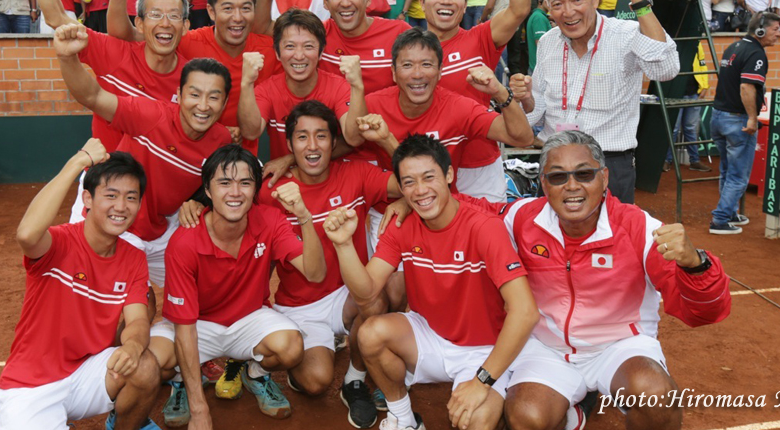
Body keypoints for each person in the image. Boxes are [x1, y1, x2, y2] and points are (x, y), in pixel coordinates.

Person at [496, 130, 732, 430]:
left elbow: (704, 313)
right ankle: (573, 413)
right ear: (542, 183)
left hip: (618, 346)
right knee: (526, 418)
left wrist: (697, 265)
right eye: (557, 177)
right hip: (546, 348)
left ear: (604, 178)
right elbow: (469, 215)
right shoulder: (520, 218)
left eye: (584, 174)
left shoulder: (640, 228)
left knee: (656, 399)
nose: (571, 186)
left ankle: (579, 400)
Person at [322, 133, 539, 430]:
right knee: (371, 333)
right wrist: (344, 245)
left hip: (483, 350)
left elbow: (525, 312)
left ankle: (492, 394)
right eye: (409, 182)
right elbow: (367, 292)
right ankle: (405, 419)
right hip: (431, 337)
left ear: (449, 175)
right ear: (400, 187)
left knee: (474, 421)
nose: (420, 190)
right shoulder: (401, 226)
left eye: (429, 177)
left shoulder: (484, 227)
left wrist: (481, 380)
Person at [151, 144, 327, 423]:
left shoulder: (271, 220)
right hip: (198, 323)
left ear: (255, 189)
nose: (235, 192)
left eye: (245, 183)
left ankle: (254, 373)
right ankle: (182, 382)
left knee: (290, 348)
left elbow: (315, 273)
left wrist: (304, 216)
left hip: (248, 319)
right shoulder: (184, 242)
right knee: (153, 362)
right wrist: (200, 411)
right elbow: (184, 328)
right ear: (207, 191)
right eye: (224, 183)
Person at [55, 21, 235, 290]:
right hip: (113, 224)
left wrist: (199, 203)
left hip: (159, 233)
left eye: (213, 97)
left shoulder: (220, 140)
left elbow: (219, 187)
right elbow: (92, 96)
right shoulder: (151, 115)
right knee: (119, 302)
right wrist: (66, 57)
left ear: (224, 103)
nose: (202, 105)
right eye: (194, 94)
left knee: (203, 289)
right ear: (178, 95)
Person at [0, 140, 161, 430]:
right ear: (87, 199)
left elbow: (137, 319)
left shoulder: (133, 257)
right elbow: (27, 235)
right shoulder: (59, 243)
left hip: (88, 373)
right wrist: (76, 163)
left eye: (131, 197)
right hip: (32, 384)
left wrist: (133, 346)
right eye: (111, 195)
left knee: (145, 366)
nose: (121, 207)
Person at [256, 101, 401, 429]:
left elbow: (413, 180)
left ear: (334, 142)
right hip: (300, 306)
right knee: (316, 382)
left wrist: (404, 199)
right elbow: (258, 252)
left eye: (321, 136)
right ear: (289, 145)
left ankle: (354, 379)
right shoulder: (270, 192)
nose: (312, 145)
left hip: (347, 294)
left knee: (382, 292)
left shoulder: (356, 172)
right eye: (302, 137)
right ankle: (318, 352)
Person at [518, 0, 679, 204]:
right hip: (555, 165)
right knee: (552, 239)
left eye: (577, 0)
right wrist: (527, 99)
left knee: (612, 240)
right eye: (558, 4)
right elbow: (536, 111)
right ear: (548, 8)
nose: (568, 11)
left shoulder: (625, 35)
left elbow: (666, 68)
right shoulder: (549, 42)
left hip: (609, 165)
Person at [27, 0, 188, 152]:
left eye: (174, 15)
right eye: (155, 15)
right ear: (139, 23)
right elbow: (57, 17)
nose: (165, 23)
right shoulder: (116, 53)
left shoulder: (193, 77)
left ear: (186, 26)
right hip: (107, 179)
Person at [109, 0, 281, 155]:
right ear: (211, 12)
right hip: (186, 160)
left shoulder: (269, 51)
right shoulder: (188, 42)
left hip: (239, 169)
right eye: (228, 8)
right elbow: (126, 35)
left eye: (246, 8)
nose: (237, 17)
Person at [418, 0, 531, 203]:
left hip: (479, 167)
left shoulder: (479, 38)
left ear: (465, 2)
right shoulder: (406, 52)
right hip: (426, 169)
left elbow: (519, 7)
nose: (446, 0)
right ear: (421, 3)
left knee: (486, 241)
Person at [344, 29, 534, 187]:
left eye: (426, 64)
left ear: (440, 70)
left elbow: (523, 137)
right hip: (389, 209)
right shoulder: (374, 104)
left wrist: (500, 92)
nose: (417, 74)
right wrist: (357, 87)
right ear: (393, 72)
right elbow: (351, 139)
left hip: (441, 208)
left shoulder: (457, 107)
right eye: (407, 65)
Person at [256, 0, 411, 96]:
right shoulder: (315, 33)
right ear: (325, 1)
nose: (345, 2)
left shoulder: (399, 33)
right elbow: (262, 27)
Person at [237, 9, 361, 159]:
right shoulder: (267, 89)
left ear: (321, 52)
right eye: (290, 46)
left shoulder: (339, 87)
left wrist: (357, 86)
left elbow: (354, 138)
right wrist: (246, 83)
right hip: (283, 180)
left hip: (331, 177)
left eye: (308, 46)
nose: (299, 56)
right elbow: (251, 132)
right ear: (277, 53)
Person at [709, 12, 780, 235]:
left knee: (727, 169)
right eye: (775, 29)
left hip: (718, 116)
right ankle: (720, 220)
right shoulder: (756, 53)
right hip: (737, 120)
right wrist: (752, 118)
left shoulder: (735, 46)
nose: (779, 34)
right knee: (738, 175)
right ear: (760, 30)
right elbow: (746, 88)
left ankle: (729, 212)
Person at [662, 42, 711, 173]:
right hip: (675, 93)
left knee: (691, 128)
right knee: (673, 128)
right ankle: (667, 160)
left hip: (693, 92)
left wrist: (705, 85)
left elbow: (702, 64)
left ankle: (694, 160)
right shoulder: (671, 41)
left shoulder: (697, 43)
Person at [525, 0, 549, 73]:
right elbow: (541, 44)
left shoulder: (538, 16)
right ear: (540, 2)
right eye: (548, 0)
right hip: (539, 70)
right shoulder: (539, 18)